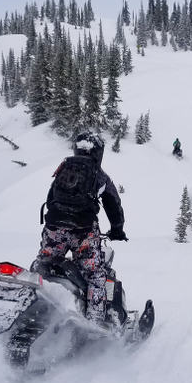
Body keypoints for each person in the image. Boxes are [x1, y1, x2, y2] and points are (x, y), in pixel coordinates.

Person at [36, 132, 127, 327]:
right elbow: (113, 205)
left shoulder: (64, 169)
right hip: (83, 231)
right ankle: (94, 322)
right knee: (95, 275)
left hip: (54, 228)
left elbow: (51, 197)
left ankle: (33, 305)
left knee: (43, 265)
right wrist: (117, 229)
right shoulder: (100, 176)